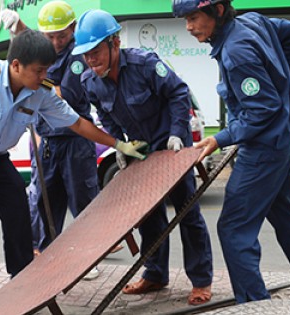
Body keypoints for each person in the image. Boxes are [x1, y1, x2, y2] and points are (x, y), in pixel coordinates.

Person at [0, 29, 147, 315]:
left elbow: (76, 123)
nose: (43, 77)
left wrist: (119, 144)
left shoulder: (41, 92)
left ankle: (21, 279)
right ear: (15, 66)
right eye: (38, 71)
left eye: (46, 71)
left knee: (18, 211)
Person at [173, 0, 290, 303]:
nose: (188, 27)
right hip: (285, 140)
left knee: (234, 227)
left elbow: (262, 110)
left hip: (265, 148)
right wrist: (276, 73)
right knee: (286, 214)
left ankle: (253, 304)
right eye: (185, 19)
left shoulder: (237, 53)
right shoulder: (253, 22)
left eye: (194, 18)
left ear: (218, 11)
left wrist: (219, 138)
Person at [72, 9, 214, 305]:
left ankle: (201, 281)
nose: (91, 60)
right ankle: (155, 274)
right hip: (142, 153)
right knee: (148, 217)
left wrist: (178, 132)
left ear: (114, 43)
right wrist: (120, 145)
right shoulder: (90, 83)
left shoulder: (144, 64)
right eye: (85, 55)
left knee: (187, 212)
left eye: (96, 51)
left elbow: (178, 93)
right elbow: (106, 117)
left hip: (172, 147)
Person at [2, 2, 122, 278]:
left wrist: (32, 76)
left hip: (75, 141)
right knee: (45, 204)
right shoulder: (45, 52)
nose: (56, 42)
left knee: (83, 203)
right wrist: (20, 31)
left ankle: (87, 260)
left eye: (62, 35)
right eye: (50, 36)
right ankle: (48, 258)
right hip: (47, 142)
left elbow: (63, 93)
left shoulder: (78, 56)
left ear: (73, 29)